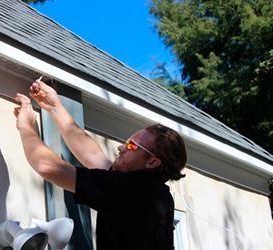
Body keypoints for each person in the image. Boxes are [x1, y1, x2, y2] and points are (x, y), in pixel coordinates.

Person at [13, 79, 187, 250]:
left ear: (152, 162)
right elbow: (92, 155)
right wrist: (54, 107)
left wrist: (25, 125)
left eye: (132, 146)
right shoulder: (149, 192)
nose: (121, 147)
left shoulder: (134, 190)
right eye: (126, 142)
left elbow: (47, 166)